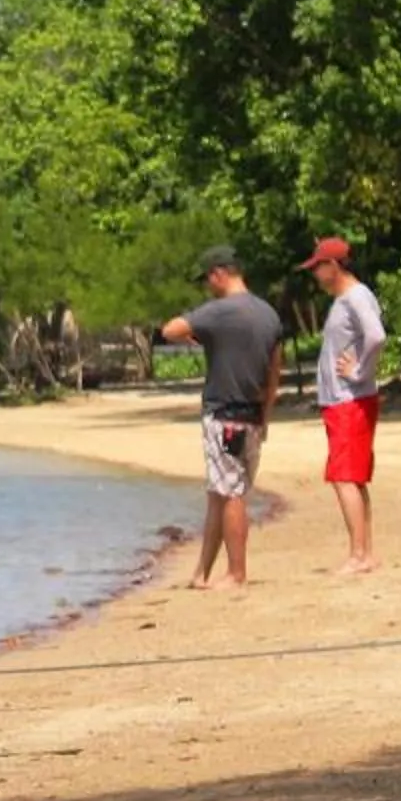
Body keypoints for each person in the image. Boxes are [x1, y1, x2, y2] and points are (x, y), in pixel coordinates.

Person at [158, 244, 284, 590]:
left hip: (225, 414)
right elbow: (274, 372)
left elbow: (169, 330)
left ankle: (236, 573)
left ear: (219, 274)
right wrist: (266, 416)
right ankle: (202, 573)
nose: (206, 286)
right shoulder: (268, 314)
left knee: (231, 494)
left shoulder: (218, 311)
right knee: (219, 493)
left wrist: (195, 336)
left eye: (207, 279)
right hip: (253, 416)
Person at [300, 236, 387, 574]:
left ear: (333, 265)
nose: (315, 274)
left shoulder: (355, 297)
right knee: (353, 477)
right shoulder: (345, 299)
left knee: (344, 477)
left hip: (349, 400)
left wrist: (360, 370)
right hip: (344, 401)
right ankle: (365, 552)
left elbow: (376, 335)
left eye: (318, 267)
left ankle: (359, 555)